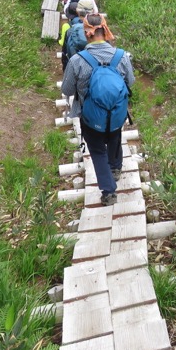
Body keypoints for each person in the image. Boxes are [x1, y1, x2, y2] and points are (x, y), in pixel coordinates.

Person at [61, 14, 135, 206]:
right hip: (117, 113)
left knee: (96, 150)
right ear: (105, 30)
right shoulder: (121, 56)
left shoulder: (77, 60)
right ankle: (116, 167)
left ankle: (109, 191)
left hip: (90, 116)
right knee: (114, 135)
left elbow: (67, 90)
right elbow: (131, 82)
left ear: (87, 33)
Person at [58, 0, 97, 70]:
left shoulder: (70, 30)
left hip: (76, 69)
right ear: (93, 11)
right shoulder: (100, 29)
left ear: (77, 12)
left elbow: (65, 54)